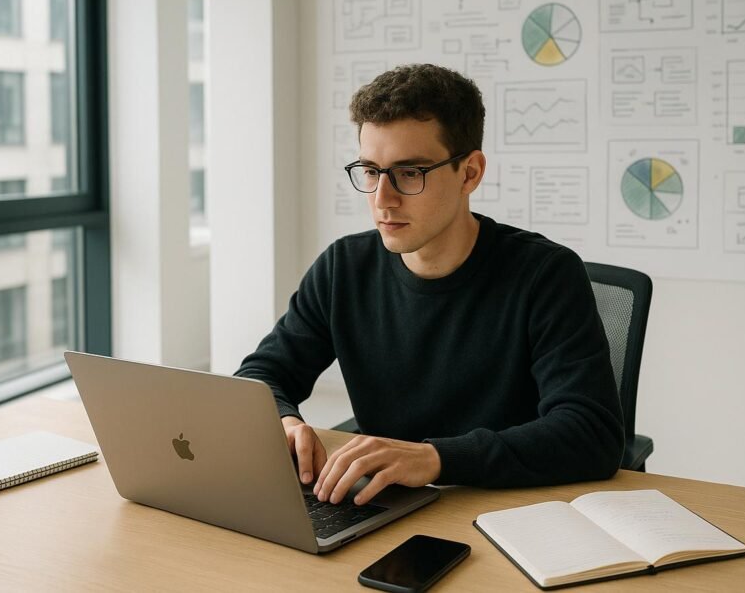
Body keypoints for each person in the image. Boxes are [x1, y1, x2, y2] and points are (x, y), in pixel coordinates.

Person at [235, 63, 624, 507]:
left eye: (410, 172)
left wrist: (436, 458)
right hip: (389, 505)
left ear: (469, 173)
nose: (382, 199)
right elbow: (260, 377)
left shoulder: (545, 275)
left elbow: (591, 433)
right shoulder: (344, 267)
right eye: (369, 171)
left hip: (509, 512)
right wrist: (283, 422)